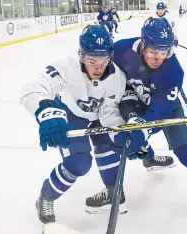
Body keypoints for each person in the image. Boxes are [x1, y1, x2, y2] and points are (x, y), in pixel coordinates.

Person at [87, 18, 187, 233]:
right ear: (142, 43)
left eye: (165, 52)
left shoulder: (173, 71)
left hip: (170, 107)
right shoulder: (120, 50)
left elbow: (159, 111)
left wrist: (141, 131)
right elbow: (111, 79)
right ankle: (128, 176)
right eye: (154, 52)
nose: (158, 58)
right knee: (116, 135)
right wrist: (131, 116)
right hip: (134, 100)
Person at [20, 25, 148, 224]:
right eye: (92, 61)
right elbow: (33, 88)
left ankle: (113, 193)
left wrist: (119, 131)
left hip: (97, 115)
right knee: (79, 163)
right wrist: (47, 111)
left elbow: (109, 110)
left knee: (110, 146)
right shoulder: (65, 68)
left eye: (104, 60)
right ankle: (46, 197)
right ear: (81, 55)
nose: (98, 67)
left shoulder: (117, 78)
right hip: (71, 114)